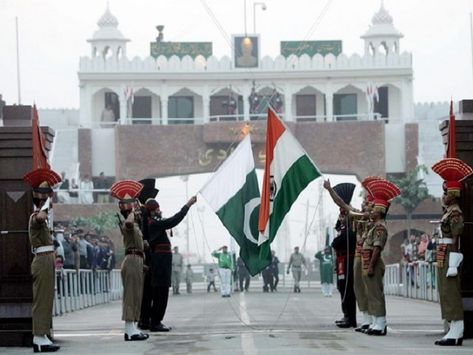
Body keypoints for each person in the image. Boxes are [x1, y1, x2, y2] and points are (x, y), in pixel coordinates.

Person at [324, 177, 377, 332]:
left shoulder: (352, 212)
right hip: (341, 258)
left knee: (349, 287)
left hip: (350, 257)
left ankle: (351, 318)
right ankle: (346, 314)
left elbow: (340, 203)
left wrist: (329, 190)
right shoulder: (341, 216)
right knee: (341, 286)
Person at [431, 157, 472, 346]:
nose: (443, 195)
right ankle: (452, 328)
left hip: (450, 252)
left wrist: (454, 262)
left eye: (446, 192)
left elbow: (456, 238)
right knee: (445, 292)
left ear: (454, 194)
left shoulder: (455, 213)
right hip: (443, 252)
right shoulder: (448, 211)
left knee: (451, 292)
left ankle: (457, 331)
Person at [23, 168, 62, 352]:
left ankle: (43, 335)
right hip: (41, 260)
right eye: (45, 196)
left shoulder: (43, 219)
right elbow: (40, 217)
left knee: (47, 299)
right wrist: (46, 204)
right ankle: (38, 337)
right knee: (41, 299)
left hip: (47, 260)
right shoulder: (36, 217)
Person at [145, 196, 197, 331]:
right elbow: (173, 220)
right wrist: (187, 205)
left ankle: (155, 320)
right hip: (160, 260)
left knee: (161, 291)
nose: (159, 211)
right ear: (152, 211)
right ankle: (156, 322)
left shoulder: (153, 222)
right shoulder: (154, 222)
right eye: (157, 209)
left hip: (162, 260)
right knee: (161, 292)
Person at [110, 180, 149, 341]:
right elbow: (128, 222)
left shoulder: (136, 225)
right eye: (134, 205)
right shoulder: (128, 223)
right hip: (132, 260)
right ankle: (129, 329)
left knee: (136, 295)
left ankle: (132, 327)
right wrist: (132, 211)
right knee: (131, 296)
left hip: (136, 260)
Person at [362, 178, 400, 336]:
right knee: (371, 293)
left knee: (376, 293)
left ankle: (381, 322)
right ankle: (376, 321)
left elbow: (377, 248)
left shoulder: (380, 228)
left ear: (380, 211)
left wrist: (371, 266)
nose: (371, 211)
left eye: (374, 209)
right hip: (368, 261)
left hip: (374, 262)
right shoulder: (374, 226)